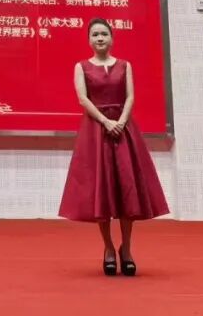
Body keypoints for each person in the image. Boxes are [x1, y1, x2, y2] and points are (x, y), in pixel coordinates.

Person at [59, 18, 169, 276]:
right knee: (102, 191)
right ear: (89, 40)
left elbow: (130, 97)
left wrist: (120, 121)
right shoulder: (81, 66)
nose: (100, 38)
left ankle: (126, 248)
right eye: (95, 34)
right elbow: (83, 99)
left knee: (127, 191)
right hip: (96, 132)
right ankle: (108, 248)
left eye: (104, 34)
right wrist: (106, 121)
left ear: (112, 38)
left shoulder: (125, 65)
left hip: (123, 131)